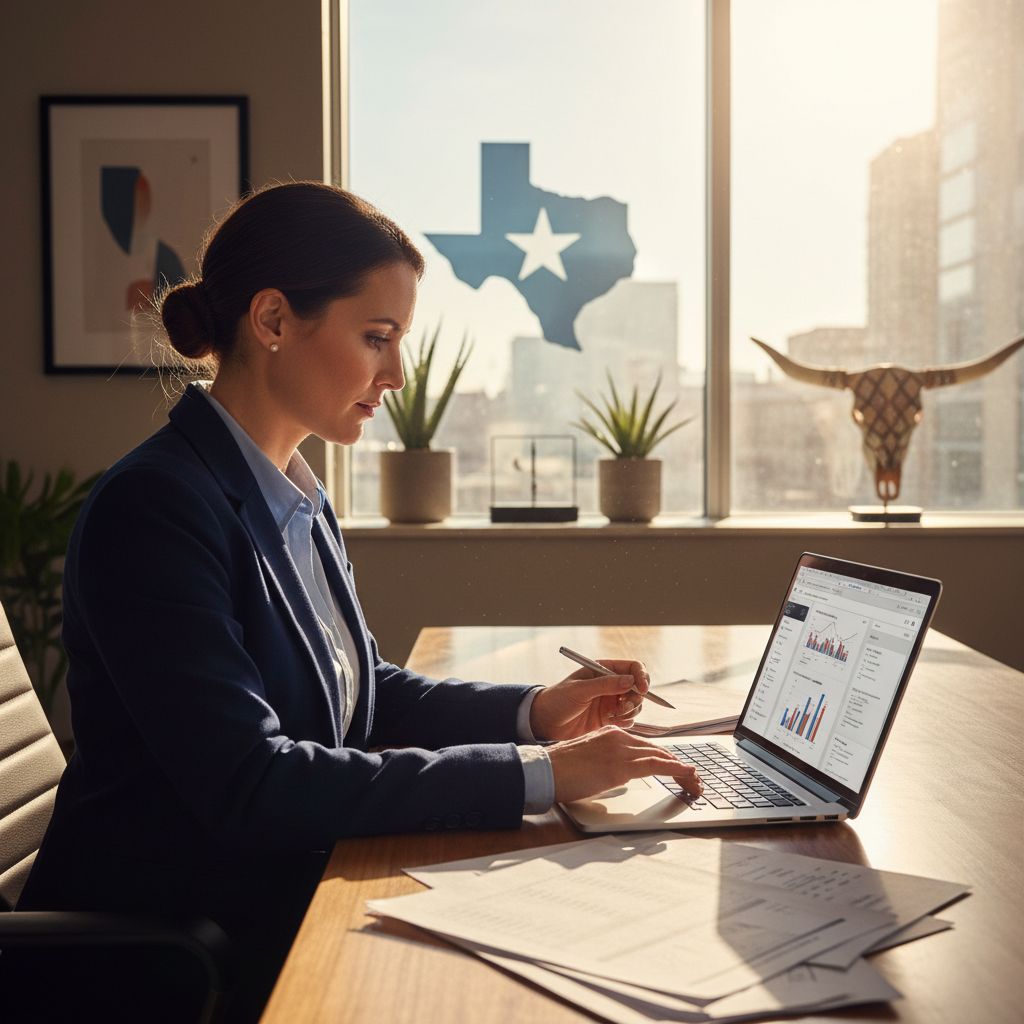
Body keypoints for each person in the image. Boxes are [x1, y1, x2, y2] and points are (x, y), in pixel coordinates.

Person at [15, 182, 702, 1022]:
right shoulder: (155, 509)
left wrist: (534, 715)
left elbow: (367, 695)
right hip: (179, 953)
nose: (398, 374)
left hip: (282, 893)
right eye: (377, 337)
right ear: (273, 321)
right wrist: (540, 776)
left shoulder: (294, 494)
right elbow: (254, 783)